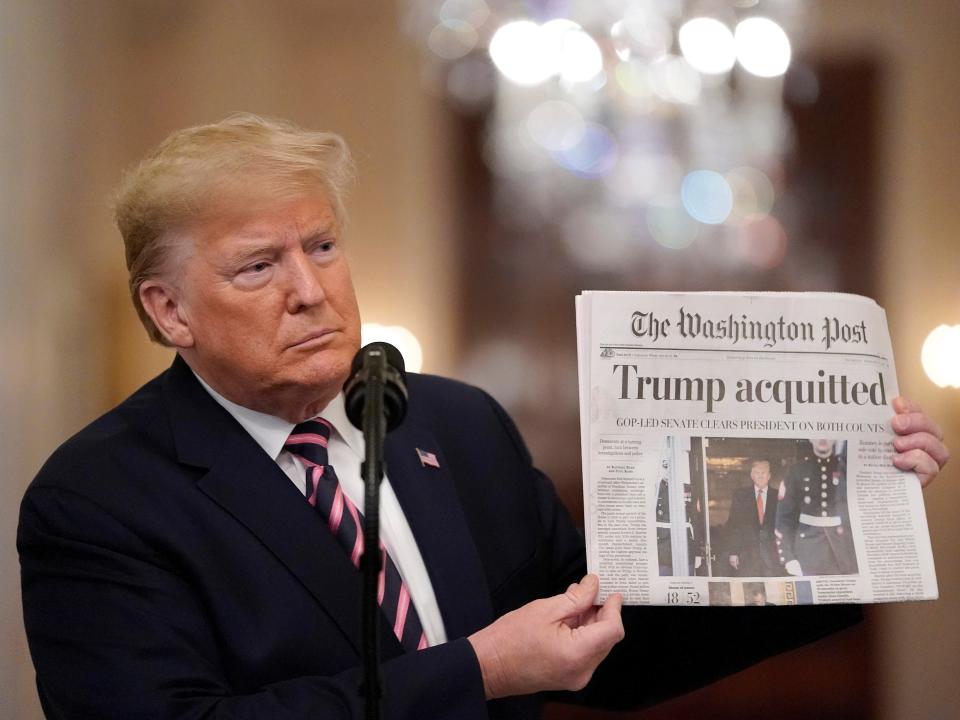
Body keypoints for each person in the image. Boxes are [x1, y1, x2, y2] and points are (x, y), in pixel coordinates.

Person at [18, 115, 949, 719]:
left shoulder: (453, 426)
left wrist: (845, 524)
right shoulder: (97, 500)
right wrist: (483, 671)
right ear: (170, 311)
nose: (310, 290)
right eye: (258, 266)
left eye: (324, 245)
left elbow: (613, 642)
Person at [775, 439, 860, 576]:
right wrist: (788, 557)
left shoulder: (847, 470)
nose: (823, 438)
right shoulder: (796, 471)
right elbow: (784, 519)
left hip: (842, 549)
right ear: (810, 438)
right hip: (807, 549)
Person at [726, 459, 781, 577]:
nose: (760, 476)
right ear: (751, 475)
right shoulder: (740, 495)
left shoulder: (779, 497)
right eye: (756, 473)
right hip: (747, 555)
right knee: (749, 589)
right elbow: (733, 525)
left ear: (769, 475)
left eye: (763, 473)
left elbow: (785, 526)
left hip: (773, 555)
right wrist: (733, 552)